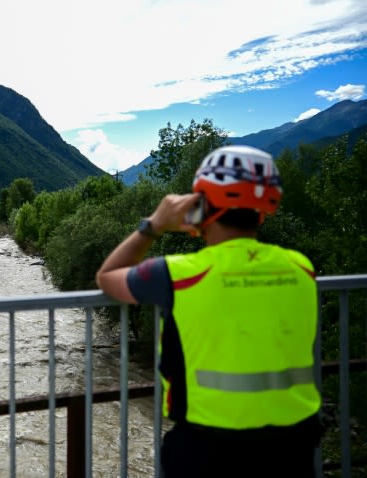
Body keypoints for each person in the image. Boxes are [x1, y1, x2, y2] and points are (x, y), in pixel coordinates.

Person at [95, 145, 322, 478]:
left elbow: (106, 277)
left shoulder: (177, 274)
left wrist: (155, 225)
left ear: (203, 204)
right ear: (265, 207)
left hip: (209, 450)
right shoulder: (301, 268)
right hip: (294, 445)